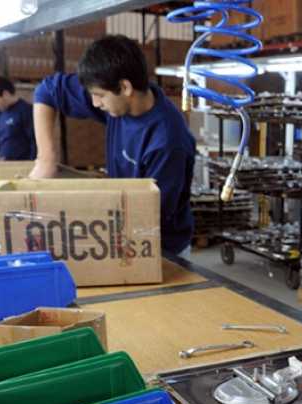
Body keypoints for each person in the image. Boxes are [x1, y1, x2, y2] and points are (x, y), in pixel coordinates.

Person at [30, 35, 196, 257]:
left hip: (158, 247)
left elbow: (149, 216)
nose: (95, 104)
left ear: (125, 87)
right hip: (119, 228)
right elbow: (47, 91)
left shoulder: (167, 141)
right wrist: (46, 159)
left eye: (99, 96)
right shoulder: (116, 97)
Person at [0, 76, 36, 161]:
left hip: (22, 166)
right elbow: (3, 141)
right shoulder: (2, 114)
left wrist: (32, 164)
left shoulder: (26, 111)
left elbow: (35, 141)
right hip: (6, 165)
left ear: (6, 94)